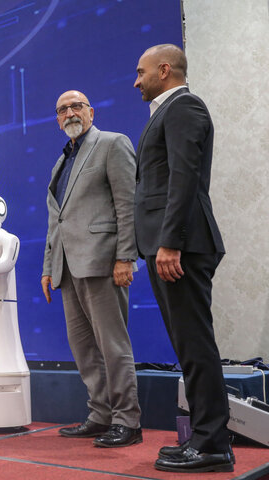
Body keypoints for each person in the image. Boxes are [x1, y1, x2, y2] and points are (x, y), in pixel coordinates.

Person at [133, 44, 233, 473]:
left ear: (164, 70)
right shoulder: (165, 112)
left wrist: (170, 242)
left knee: (195, 346)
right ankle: (204, 438)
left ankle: (212, 445)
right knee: (188, 348)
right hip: (169, 244)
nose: (136, 81)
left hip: (182, 246)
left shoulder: (183, 107)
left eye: (141, 72)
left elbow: (184, 176)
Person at [41, 90, 142, 447]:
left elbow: (128, 205)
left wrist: (126, 257)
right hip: (68, 268)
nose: (69, 112)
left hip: (103, 262)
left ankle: (127, 420)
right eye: (62, 109)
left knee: (113, 346)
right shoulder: (62, 161)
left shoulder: (113, 144)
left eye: (76, 106)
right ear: (57, 119)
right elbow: (57, 220)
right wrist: (48, 267)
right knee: (84, 350)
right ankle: (101, 415)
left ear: (91, 112)